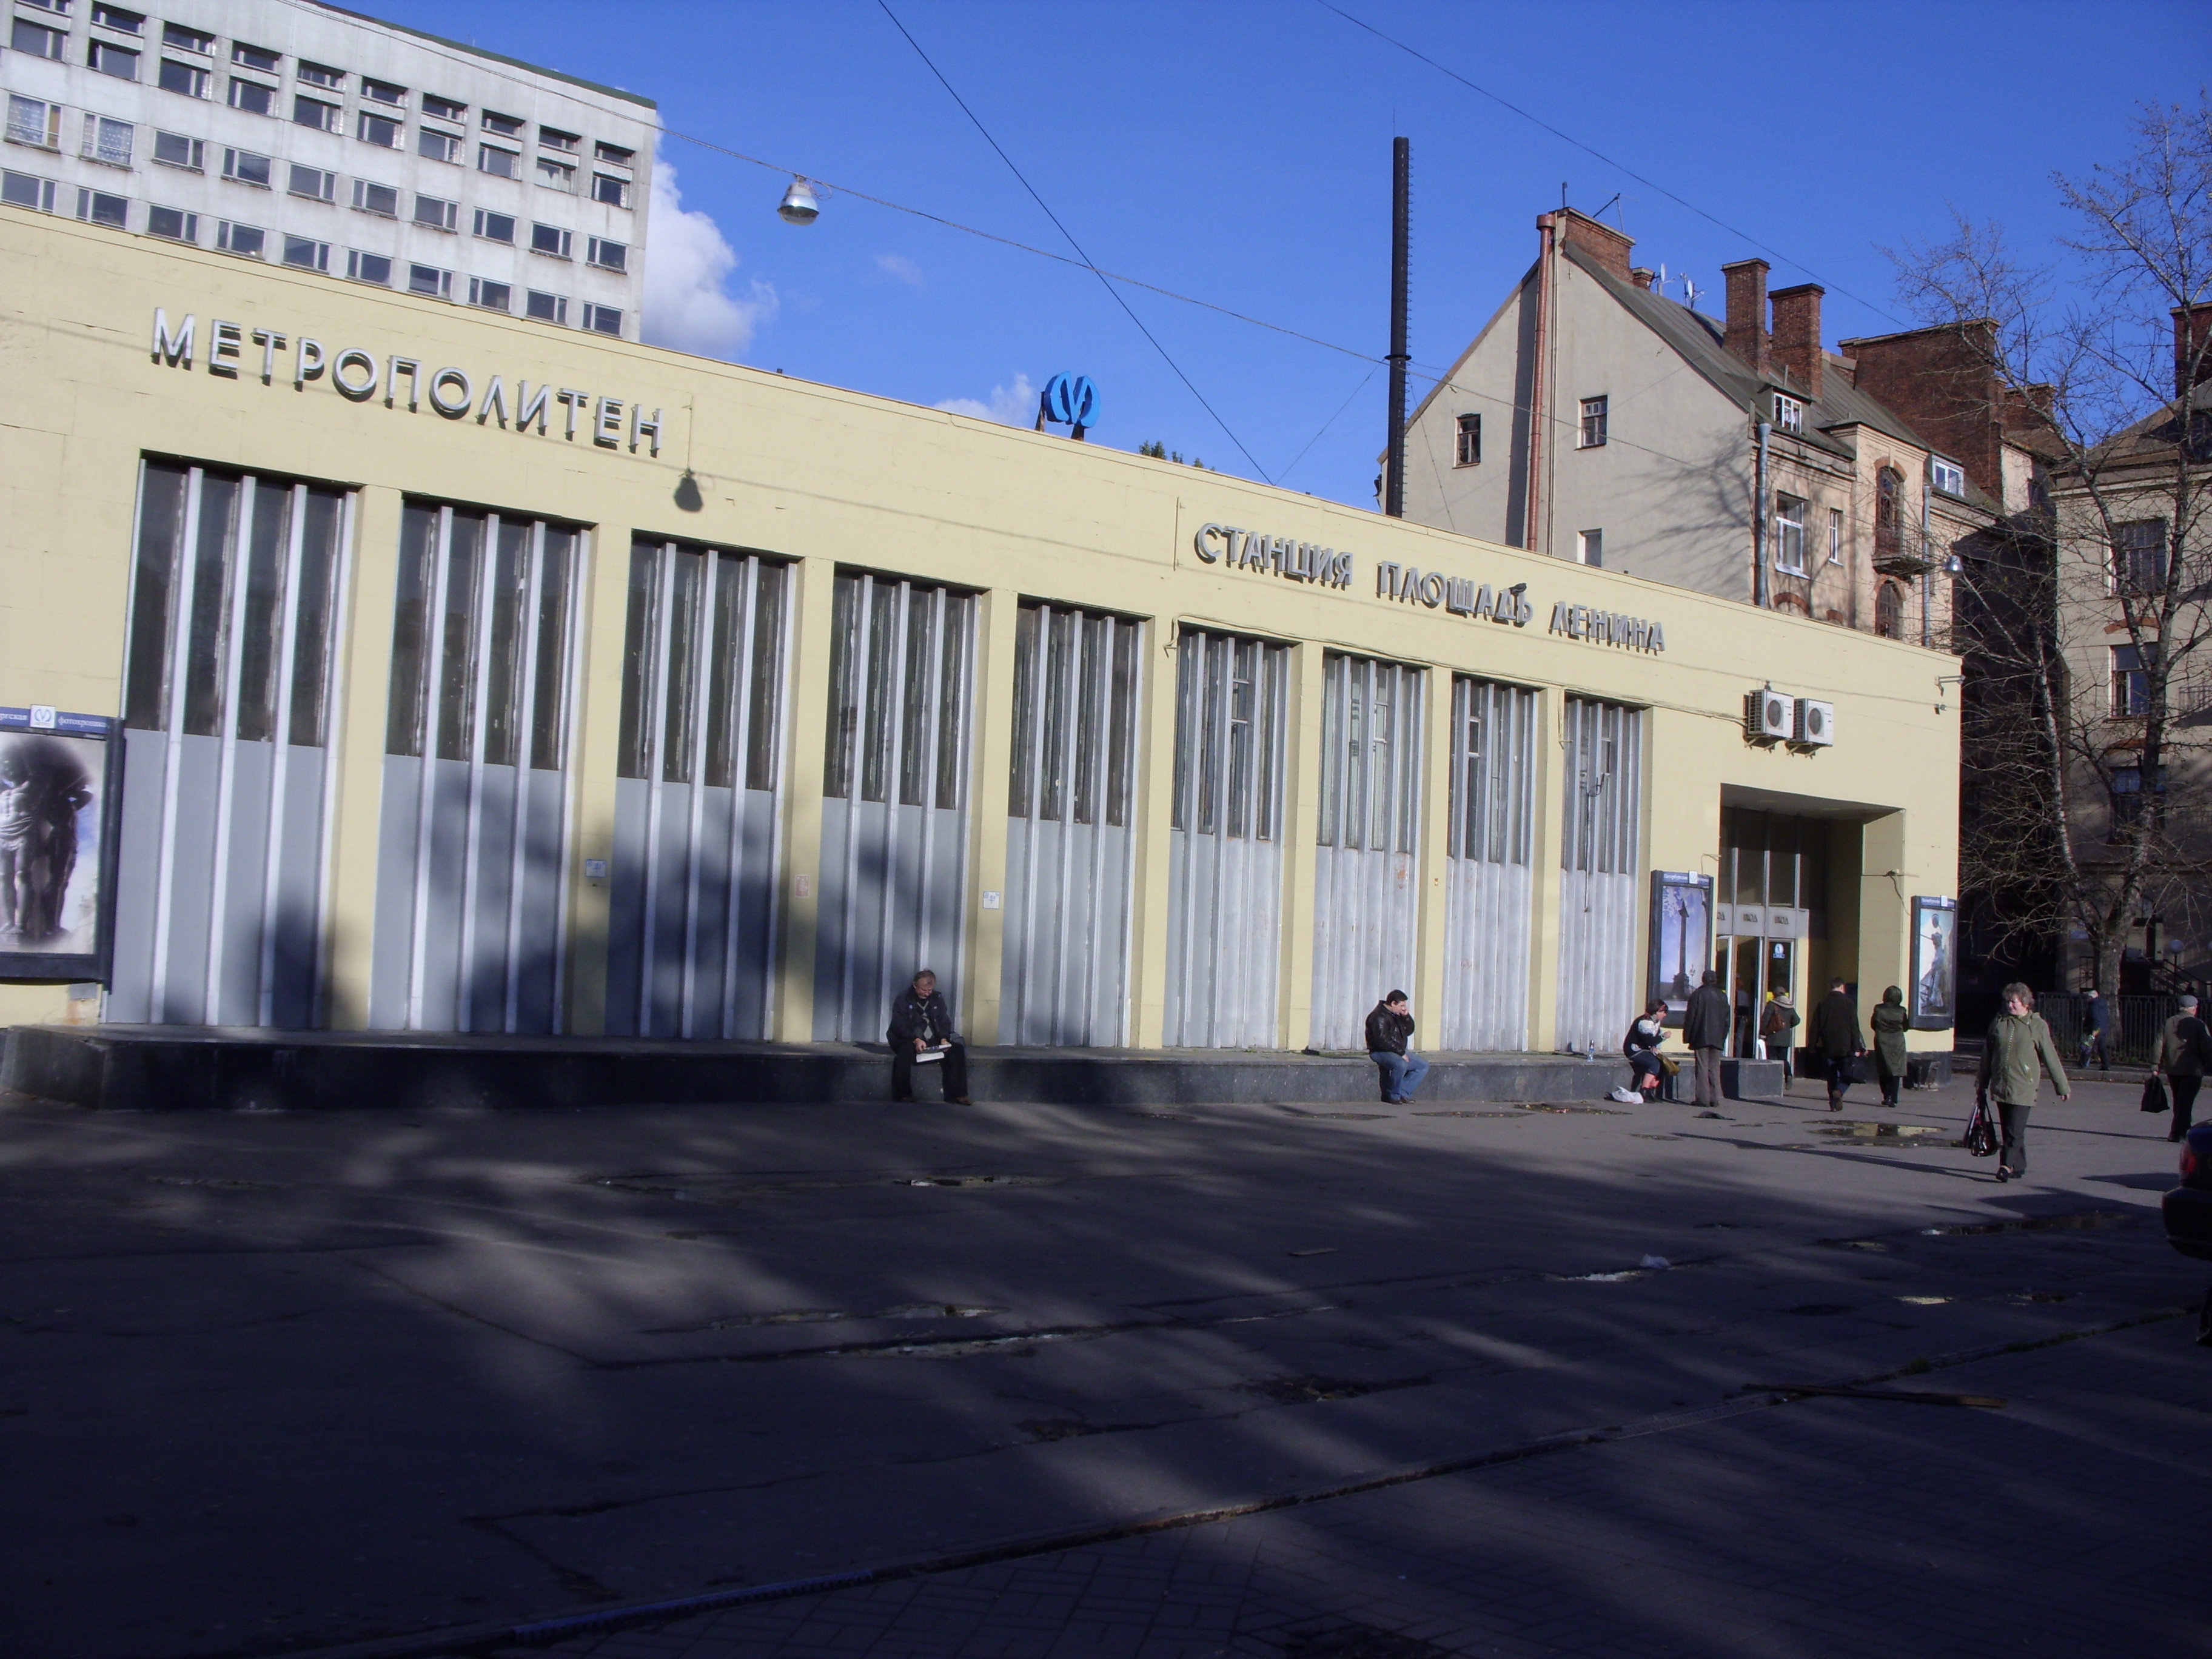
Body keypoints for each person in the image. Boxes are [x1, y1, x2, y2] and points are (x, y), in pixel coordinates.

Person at [1976, 982, 2069, 1182]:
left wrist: (2061, 1086)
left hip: (2024, 1086)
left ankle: (2005, 1166)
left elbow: (2050, 1057)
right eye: (2008, 1002)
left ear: (2026, 1003)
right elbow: (1988, 1055)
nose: (2009, 1006)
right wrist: (1982, 1082)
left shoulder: (2037, 1025)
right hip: (2002, 1084)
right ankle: (2018, 1165)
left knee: (2015, 1130)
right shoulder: (1999, 1023)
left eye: (2014, 1002)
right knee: (2008, 1129)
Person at [888, 970, 970, 1104]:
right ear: (915, 985)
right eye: (923, 990)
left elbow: (944, 1021)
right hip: (909, 1039)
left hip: (932, 1039)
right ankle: (904, 1094)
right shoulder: (903, 999)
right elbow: (899, 1025)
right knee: (904, 1051)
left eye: (930, 990)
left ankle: (959, 1095)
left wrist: (944, 1039)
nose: (927, 993)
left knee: (957, 1050)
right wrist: (915, 1039)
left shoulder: (937, 998)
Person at [2154, 993, 2212, 1142]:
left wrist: (2155, 1065)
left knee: (2179, 1099)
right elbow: (2206, 1046)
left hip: (2173, 1068)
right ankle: (2180, 1131)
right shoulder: (2198, 1024)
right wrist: (2209, 1062)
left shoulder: (2169, 1022)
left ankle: (2179, 1130)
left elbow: (2159, 1044)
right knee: (2186, 1102)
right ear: (2194, 1008)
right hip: (2193, 1069)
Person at [1808, 977, 1865, 1113]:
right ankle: (1839, 1091)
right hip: (1846, 1046)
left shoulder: (1823, 1004)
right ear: (1842, 987)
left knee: (1831, 1075)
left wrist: (1812, 1045)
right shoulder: (1849, 1003)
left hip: (1828, 1045)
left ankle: (1833, 1104)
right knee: (1847, 1074)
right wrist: (1856, 1046)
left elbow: (1815, 1026)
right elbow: (1854, 1027)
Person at [1366, 990, 1429, 1104]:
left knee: (1422, 1065)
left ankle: (1403, 1092)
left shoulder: (1396, 1015)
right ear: (1393, 1003)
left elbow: (1408, 1031)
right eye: (1402, 1006)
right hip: (1380, 1051)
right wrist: (1401, 1053)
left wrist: (1406, 1017)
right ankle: (1393, 1095)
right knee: (1400, 1065)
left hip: (1395, 1050)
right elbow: (1382, 1041)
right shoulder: (1378, 1017)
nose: (1403, 1008)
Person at [1683, 969, 1731, 1109]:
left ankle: (1703, 1099)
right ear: (1715, 980)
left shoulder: (1697, 995)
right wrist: (1723, 1037)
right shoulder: (1722, 996)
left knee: (1702, 1067)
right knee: (1714, 1068)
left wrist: (1687, 1037)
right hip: (1717, 1037)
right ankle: (1714, 1098)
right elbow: (1727, 1020)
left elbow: (1691, 1017)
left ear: (1703, 979)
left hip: (1700, 1036)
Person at [1870, 985, 1912, 1107]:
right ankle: (1893, 1097)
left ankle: (1886, 1095)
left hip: (1882, 1040)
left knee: (1883, 1069)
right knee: (1896, 1070)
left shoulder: (1879, 1009)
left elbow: (1873, 1024)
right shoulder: (1902, 1011)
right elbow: (1906, 1027)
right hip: (1897, 1041)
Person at [1624, 1000, 1668, 1101]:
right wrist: (1663, 1037)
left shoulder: (1656, 1022)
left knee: (1663, 1064)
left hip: (1644, 1049)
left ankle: (1651, 1089)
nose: (1665, 1015)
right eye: (1664, 1012)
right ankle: (1644, 1090)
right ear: (1657, 1011)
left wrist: (1654, 1047)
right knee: (1654, 1064)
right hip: (1634, 1049)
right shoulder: (1645, 1022)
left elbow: (1653, 1039)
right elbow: (1649, 1040)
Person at [1760, 993, 1799, 1094]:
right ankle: (1788, 1074)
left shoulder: (1771, 1005)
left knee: (1772, 1059)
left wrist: (1763, 1032)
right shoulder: (1789, 1006)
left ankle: (1774, 1081)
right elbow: (1797, 1020)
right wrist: (1787, 1027)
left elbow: (1765, 1020)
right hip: (1785, 1039)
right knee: (1783, 1059)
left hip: (1772, 1037)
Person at [2079, 988, 2113, 1072]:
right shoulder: (2103, 1005)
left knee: (2088, 1046)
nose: (2087, 999)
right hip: (2103, 1029)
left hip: (2095, 1030)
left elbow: (2095, 1018)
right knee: (2102, 1048)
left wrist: (2094, 1030)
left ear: (2091, 998)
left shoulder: (2093, 1005)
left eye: (2088, 997)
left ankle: (2083, 1063)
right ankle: (2106, 1065)